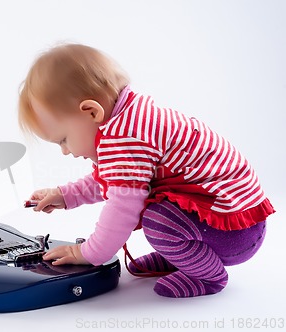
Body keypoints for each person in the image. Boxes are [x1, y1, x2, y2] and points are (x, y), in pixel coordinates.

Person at [18, 43, 275, 298]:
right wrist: (66, 195)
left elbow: (122, 208)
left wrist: (88, 253)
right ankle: (181, 256)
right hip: (232, 221)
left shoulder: (126, 136)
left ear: (91, 111)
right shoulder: (130, 119)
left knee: (158, 221)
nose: (65, 150)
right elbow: (113, 177)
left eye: (63, 139)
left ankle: (207, 276)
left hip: (232, 230)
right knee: (161, 212)